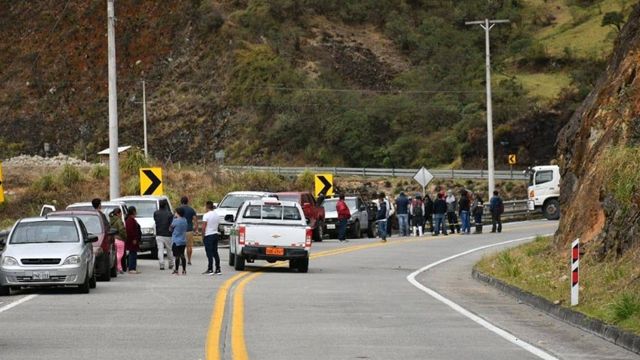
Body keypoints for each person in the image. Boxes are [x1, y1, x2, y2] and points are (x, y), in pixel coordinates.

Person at [201, 201, 222, 275]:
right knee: (215, 252)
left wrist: (202, 236)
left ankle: (210, 269)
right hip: (215, 234)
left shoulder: (206, 215)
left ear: (207, 206)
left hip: (208, 235)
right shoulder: (217, 215)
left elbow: (204, 227)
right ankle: (218, 268)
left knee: (209, 253)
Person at [154, 199, 175, 271]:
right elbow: (171, 224)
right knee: (169, 250)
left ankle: (161, 264)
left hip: (159, 234)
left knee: (160, 249)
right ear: (166, 205)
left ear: (159, 205)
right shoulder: (169, 214)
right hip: (168, 234)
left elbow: (155, 221)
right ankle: (171, 264)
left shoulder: (156, 213)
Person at [178, 196, 198, 266]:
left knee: (180, 246)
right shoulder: (191, 210)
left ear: (181, 202)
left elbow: (176, 218)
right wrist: (196, 229)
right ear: (187, 202)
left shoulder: (179, 209)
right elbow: (195, 220)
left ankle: (181, 261)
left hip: (180, 230)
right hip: (189, 230)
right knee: (189, 246)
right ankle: (189, 260)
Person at [170, 207, 188, 275]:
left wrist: (174, 219)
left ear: (178, 213)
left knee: (177, 256)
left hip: (176, 241)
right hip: (183, 240)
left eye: (176, 212)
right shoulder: (185, 220)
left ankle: (176, 270)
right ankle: (184, 270)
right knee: (182, 255)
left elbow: (170, 229)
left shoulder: (175, 220)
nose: (175, 213)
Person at [109, 207, 127, 274]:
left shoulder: (111, 220)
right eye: (121, 213)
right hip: (119, 239)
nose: (121, 214)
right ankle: (117, 266)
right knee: (120, 254)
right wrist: (125, 236)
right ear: (118, 214)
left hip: (113, 238)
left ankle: (119, 268)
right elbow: (121, 230)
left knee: (116, 253)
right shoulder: (119, 221)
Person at [125, 206, 142, 274]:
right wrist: (134, 238)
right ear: (133, 212)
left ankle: (133, 267)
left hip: (134, 240)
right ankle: (131, 268)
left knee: (133, 253)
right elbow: (130, 231)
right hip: (132, 240)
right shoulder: (130, 220)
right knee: (132, 254)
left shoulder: (131, 219)